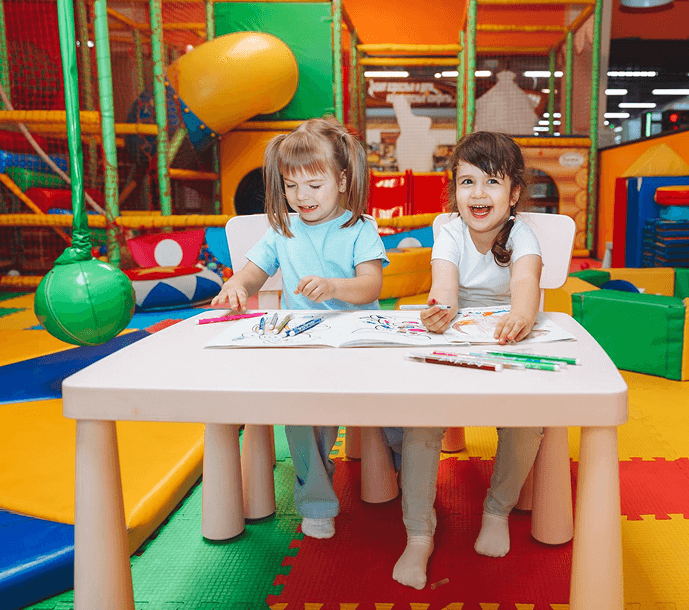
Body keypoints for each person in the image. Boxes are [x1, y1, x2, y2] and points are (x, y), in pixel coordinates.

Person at [211, 117, 394, 540]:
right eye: (291, 186)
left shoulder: (359, 228)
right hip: (307, 347)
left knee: (399, 421)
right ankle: (316, 501)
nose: (301, 196)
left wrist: (334, 286)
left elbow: (371, 285)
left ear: (342, 180)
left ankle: (395, 459)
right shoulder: (283, 230)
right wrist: (236, 286)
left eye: (314, 184)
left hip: (361, 343)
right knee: (301, 416)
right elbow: (253, 274)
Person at [392, 131, 544, 589]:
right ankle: (419, 534)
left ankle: (496, 510)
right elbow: (444, 283)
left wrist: (521, 315)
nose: (479, 194)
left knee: (526, 420)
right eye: (467, 182)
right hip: (457, 339)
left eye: (492, 182)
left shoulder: (523, 233)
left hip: (507, 338)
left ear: (514, 194)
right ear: (454, 191)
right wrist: (440, 308)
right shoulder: (450, 231)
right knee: (420, 422)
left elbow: (526, 283)